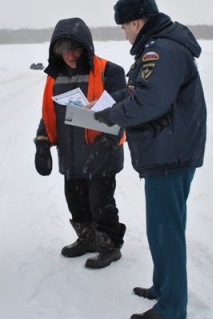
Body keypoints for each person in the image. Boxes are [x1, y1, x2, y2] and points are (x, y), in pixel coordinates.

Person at [94, 0, 207, 319]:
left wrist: (112, 115)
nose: (125, 34)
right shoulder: (160, 46)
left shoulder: (162, 49)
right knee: (161, 227)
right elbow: (139, 90)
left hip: (169, 153)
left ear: (135, 22)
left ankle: (172, 308)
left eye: (124, 28)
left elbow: (151, 102)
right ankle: (163, 287)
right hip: (169, 149)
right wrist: (109, 103)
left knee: (167, 230)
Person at [34, 17, 127, 269]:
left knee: (100, 201)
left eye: (75, 49)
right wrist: (41, 143)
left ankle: (109, 245)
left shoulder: (110, 71)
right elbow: (48, 113)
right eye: (64, 50)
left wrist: (107, 144)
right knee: (75, 199)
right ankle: (86, 238)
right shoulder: (55, 77)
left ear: (87, 47)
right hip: (71, 153)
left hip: (102, 152)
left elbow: (123, 110)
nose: (71, 56)